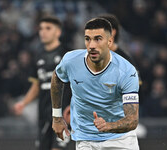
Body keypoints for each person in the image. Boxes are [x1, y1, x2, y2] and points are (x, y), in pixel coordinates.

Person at [51, 18, 140, 150]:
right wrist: (57, 117)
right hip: (85, 138)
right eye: (88, 39)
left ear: (110, 41)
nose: (91, 45)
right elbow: (57, 78)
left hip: (120, 139)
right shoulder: (71, 61)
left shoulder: (126, 71)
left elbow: (132, 119)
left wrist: (108, 126)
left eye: (98, 39)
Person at [13, 16, 74, 150]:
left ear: (58, 32)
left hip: (63, 115)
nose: (43, 32)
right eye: (41, 28)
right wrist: (24, 103)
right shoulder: (38, 56)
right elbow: (37, 85)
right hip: (44, 115)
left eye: (48, 28)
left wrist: (74, 106)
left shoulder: (68, 55)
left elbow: (79, 83)